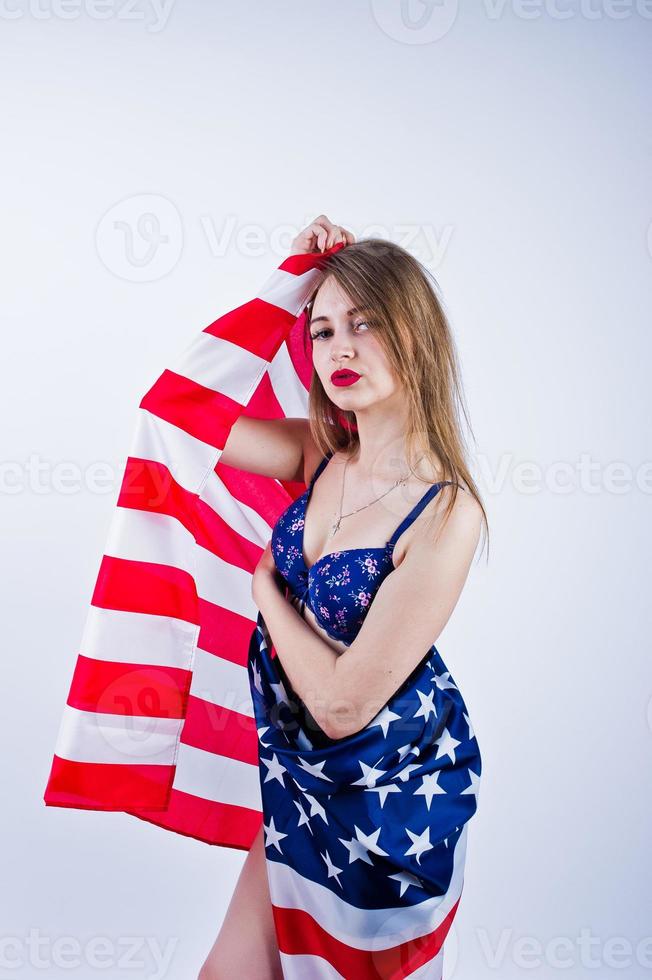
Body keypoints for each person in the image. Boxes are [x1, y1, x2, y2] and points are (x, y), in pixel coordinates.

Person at [198, 215, 488, 979]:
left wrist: (267, 590)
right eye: (321, 332)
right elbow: (182, 413)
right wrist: (286, 280)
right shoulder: (322, 453)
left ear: (415, 334)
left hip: (386, 801)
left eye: (365, 324)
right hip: (298, 781)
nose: (339, 350)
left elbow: (341, 708)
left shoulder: (447, 512)